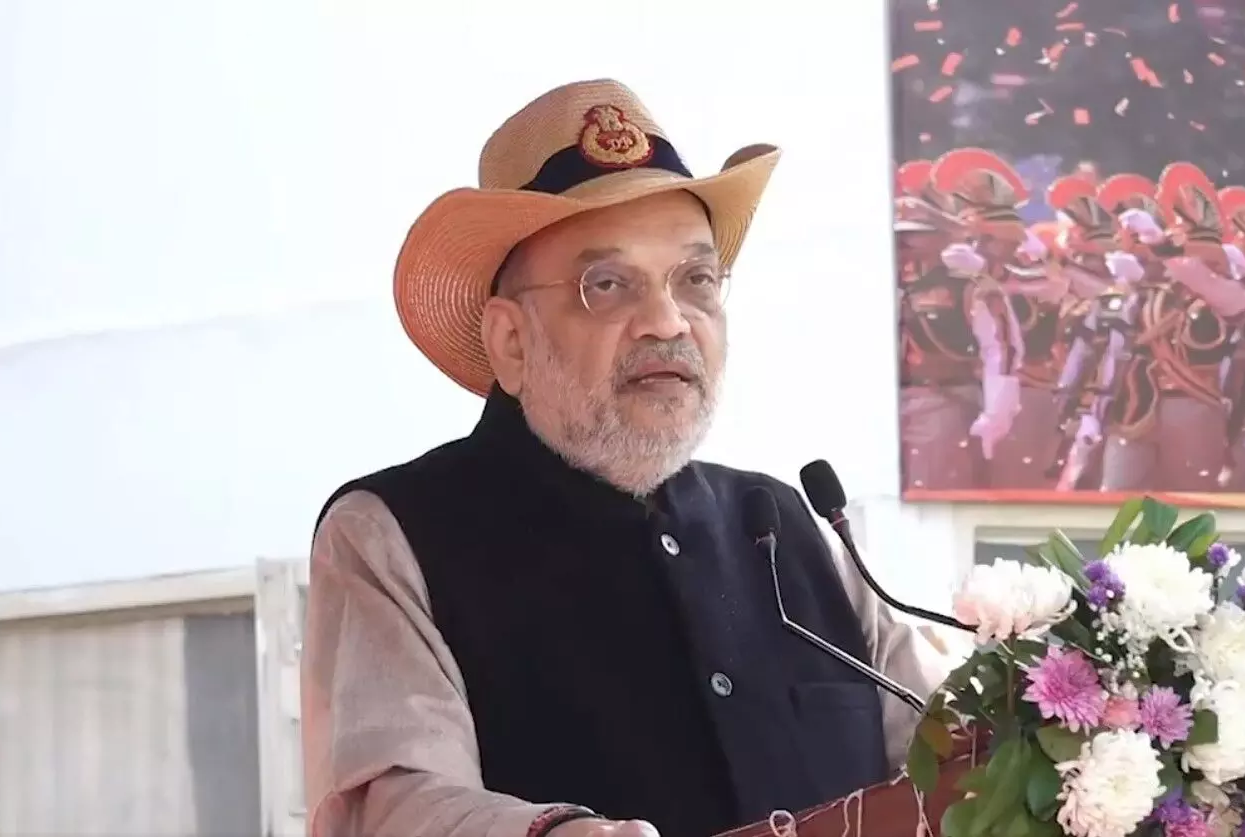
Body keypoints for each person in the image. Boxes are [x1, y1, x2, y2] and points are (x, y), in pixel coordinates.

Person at [300, 79, 960, 837]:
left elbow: (953, 748)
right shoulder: (394, 536)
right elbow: (395, 804)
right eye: (607, 285)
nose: (667, 321)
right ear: (511, 341)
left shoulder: (786, 525)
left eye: (697, 280)